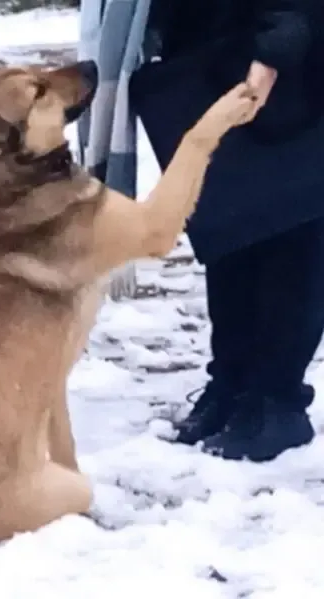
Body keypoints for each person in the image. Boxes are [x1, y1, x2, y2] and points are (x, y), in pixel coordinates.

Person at [140, 0, 324, 461]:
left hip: (285, 49)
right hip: (214, 44)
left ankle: (278, 402)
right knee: (229, 225)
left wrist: (280, 43)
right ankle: (233, 384)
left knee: (291, 229)